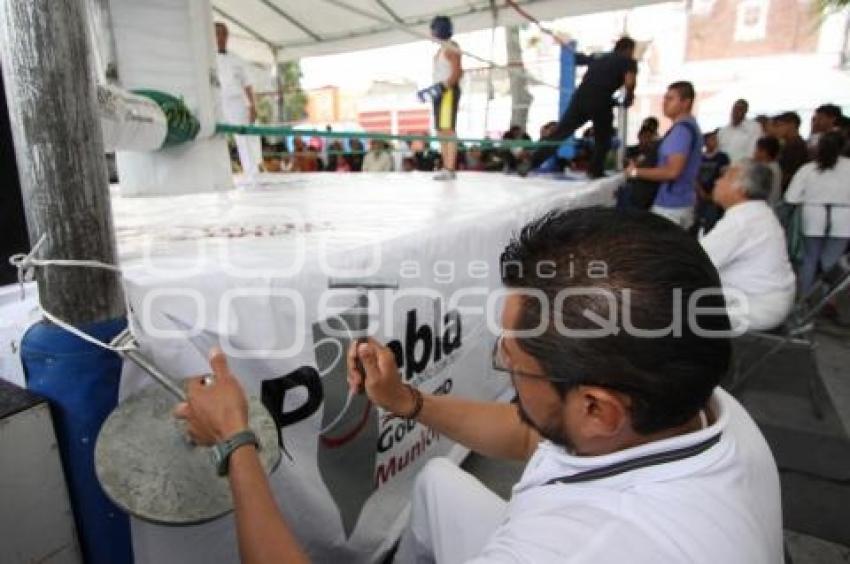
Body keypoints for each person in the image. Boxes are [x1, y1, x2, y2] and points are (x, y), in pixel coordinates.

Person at [175, 207, 782, 563]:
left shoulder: (571, 549)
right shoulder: (700, 407)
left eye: (513, 362)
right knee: (438, 481)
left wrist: (236, 439)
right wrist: (407, 402)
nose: (503, 365)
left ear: (596, 407)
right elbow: (530, 439)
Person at [700, 160, 796, 331]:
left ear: (741, 189)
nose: (717, 181)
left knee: (666, 308)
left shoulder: (742, 221)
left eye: (725, 177)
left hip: (753, 306)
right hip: (765, 299)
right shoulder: (756, 212)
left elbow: (695, 262)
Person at [522, 37, 638, 178]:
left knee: (560, 133)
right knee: (603, 138)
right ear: (629, 49)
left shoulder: (600, 57)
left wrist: (579, 55)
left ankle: (532, 162)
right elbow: (629, 82)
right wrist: (629, 97)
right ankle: (594, 170)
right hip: (601, 99)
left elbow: (578, 60)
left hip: (580, 97)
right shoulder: (627, 61)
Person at [625, 81, 702, 229]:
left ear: (686, 102)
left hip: (672, 205)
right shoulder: (688, 127)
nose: (664, 103)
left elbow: (672, 171)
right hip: (679, 201)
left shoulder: (682, 131)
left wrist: (635, 172)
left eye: (670, 99)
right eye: (665, 98)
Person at [785, 131, 850, 294]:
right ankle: (827, 300)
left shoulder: (808, 169)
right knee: (831, 263)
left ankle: (805, 301)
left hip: (812, 217)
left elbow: (791, 198)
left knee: (809, 260)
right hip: (843, 219)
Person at [417, 16, 463, 180]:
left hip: (448, 91)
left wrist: (441, 88)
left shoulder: (451, 47)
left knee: (447, 130)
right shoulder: (441, 49)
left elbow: (457, 73)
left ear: (438, 29)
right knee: (441, 131)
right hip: (441, 91)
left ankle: (450, 169)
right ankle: (446, 167)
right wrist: (431, 90)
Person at [215, 22, 262, 179]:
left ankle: (252, 173)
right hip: (217, 102)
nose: (221, 37)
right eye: (218, 34)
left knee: (244, 137)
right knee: (216, 137)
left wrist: (253, 106)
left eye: (224, 34)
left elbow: (248, 84)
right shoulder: (206, 58)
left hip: (236, 102)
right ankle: (221, 176)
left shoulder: (236, 59)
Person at [693, 129, 730, 235]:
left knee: (711, 224)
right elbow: (694, 176)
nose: (713, 142)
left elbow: (724, 176)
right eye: (710, 139)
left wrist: (714, 193)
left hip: (714, 197)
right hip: (698, 196)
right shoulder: (699, 157)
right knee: (694, 223)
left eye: (714, 139)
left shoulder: (722, 157)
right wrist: (700, 191)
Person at [773, 111, 809, 193]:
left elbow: (788, 174)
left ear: (791, 125)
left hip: (790, 190)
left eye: (779, 125)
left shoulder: (796, 146)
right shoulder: (786, 145)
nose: (776, 130)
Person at [717, 99, 761, 164]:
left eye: (740, 109)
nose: (736, 112)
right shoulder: (723, 131)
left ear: (745, 111)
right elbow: (718, 151)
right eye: (734, 109)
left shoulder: (754, 127)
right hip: (723, 169)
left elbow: (752, 152)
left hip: (743, 169)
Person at [753, 136, 782, 206]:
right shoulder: (775, 166)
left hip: (765, 205)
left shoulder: (766, 169)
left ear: (764, 152)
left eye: (758, 150)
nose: (754, 152)